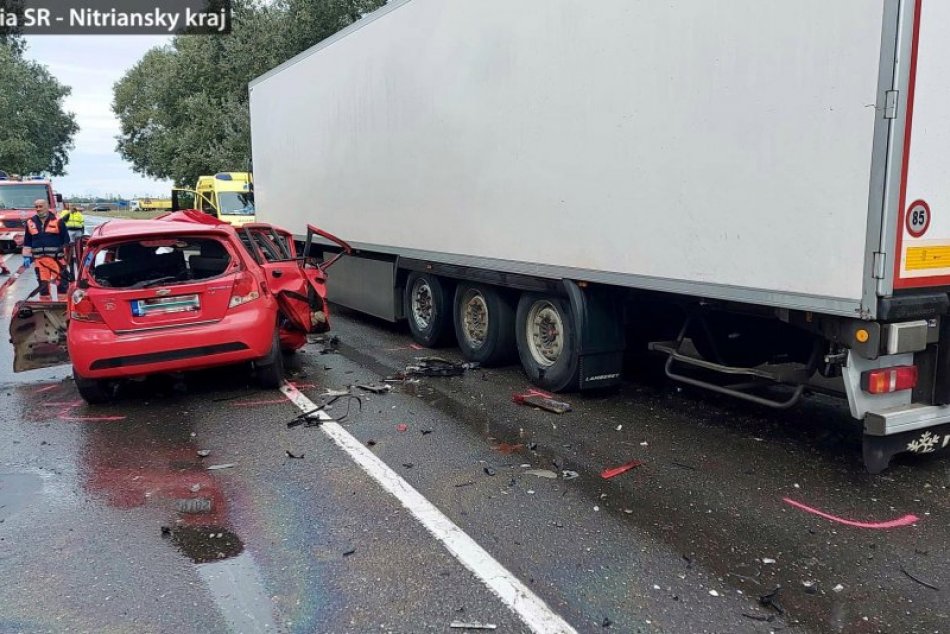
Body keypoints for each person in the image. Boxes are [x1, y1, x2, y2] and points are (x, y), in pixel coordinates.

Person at [23, 198, 69, 300]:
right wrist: (26, 256)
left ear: (47, 207)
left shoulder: (58, 221)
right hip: (40, 261)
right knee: (43, 287)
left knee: (62, 284)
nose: (38, 209)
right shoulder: (30, 222)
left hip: (57, 260)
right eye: (36, 207)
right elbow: (27, 241)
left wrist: (67, 257)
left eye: (41, 206)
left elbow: (66, 241)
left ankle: (64, 306)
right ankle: (46, 307)